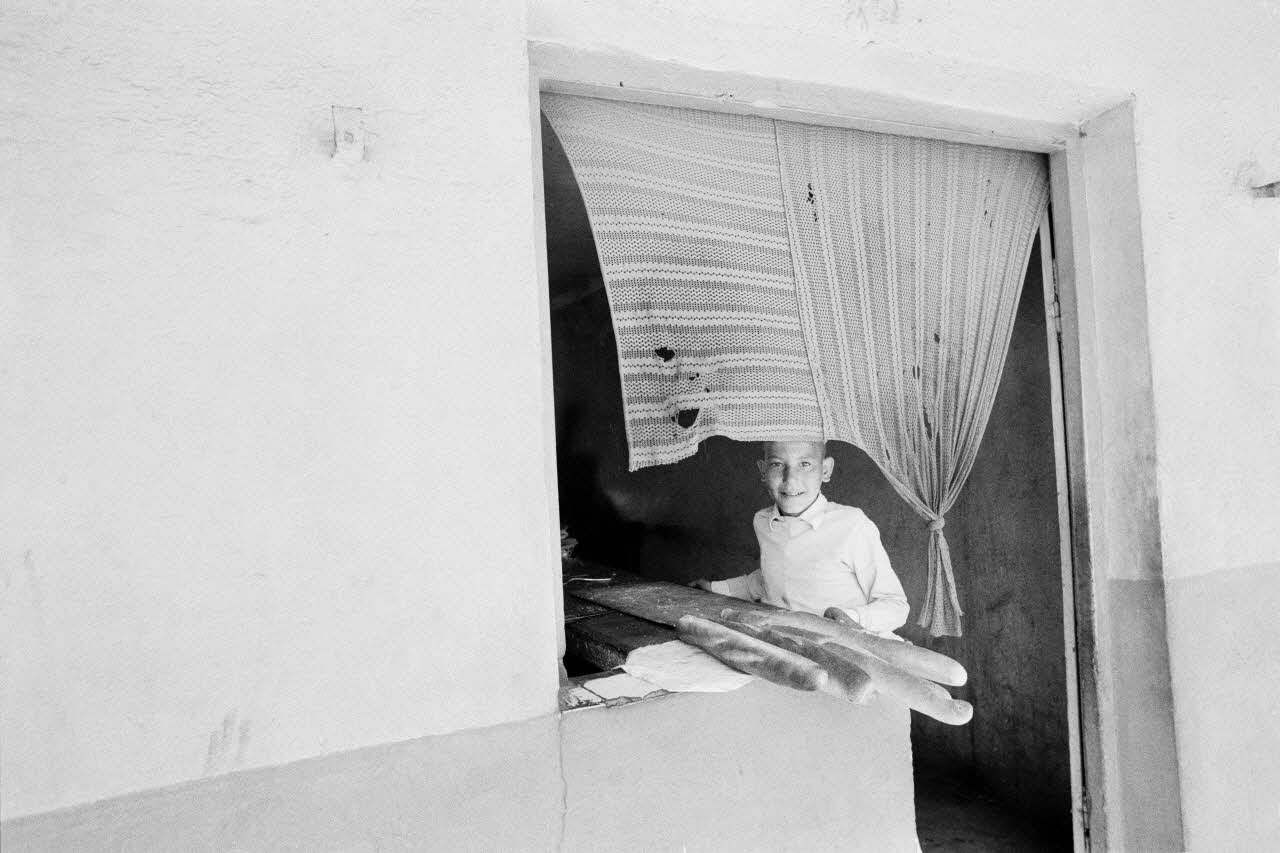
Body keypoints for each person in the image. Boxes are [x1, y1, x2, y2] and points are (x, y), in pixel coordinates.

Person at [692, 439, 909, 636]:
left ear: (825, 470)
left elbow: (895, 605)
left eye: (805, 464)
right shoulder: (762, 521)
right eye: (777, 464)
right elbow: (769, 580)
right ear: (763, 470)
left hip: (847, 645)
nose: (790, 479)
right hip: (783, 640)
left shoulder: (852, 525)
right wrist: (715, 589)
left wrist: (851, 618)